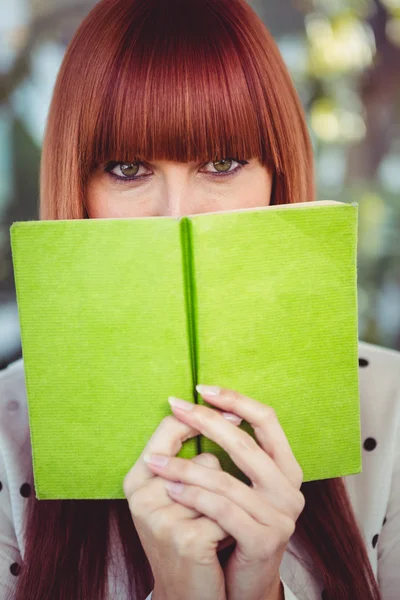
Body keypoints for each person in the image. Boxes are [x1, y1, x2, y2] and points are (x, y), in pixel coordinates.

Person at [0, 0, 398, 598]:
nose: (178, 215)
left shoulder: (391, 409)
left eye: (222, 163)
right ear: (75, 188)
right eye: (128, 169)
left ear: (276, 178)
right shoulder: (8, 431)